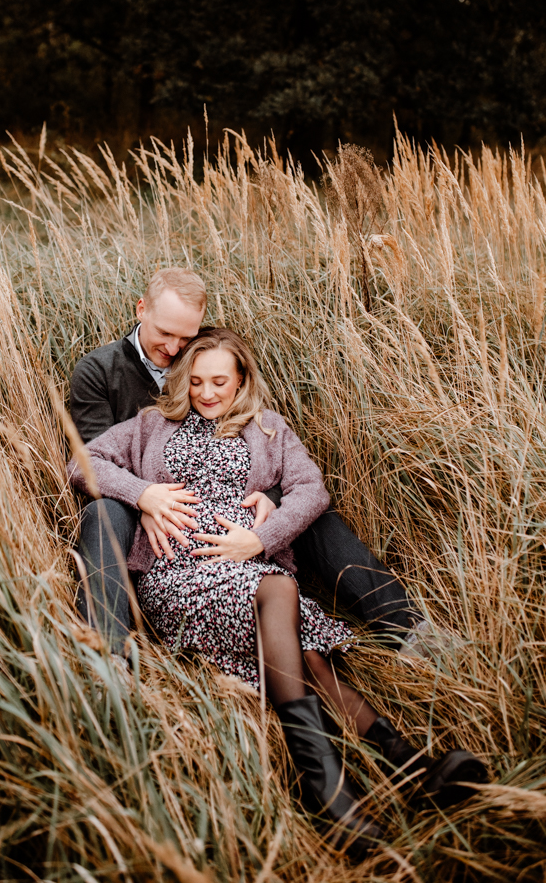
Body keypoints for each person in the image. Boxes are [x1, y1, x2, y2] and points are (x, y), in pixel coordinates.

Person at [67, 328, 487, 852]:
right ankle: (330, 789)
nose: (206, 393)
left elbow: (313, 491)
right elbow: (83, 465)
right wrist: (144, 493)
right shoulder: (153, 423)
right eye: (196, 381)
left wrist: (261, 538)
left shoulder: (269, 428)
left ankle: (410, 769)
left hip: (244, 564)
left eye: (219, 381)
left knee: (309, 656)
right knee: (278, 590)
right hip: (178, 575)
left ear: (241, 378)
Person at [69, 267, 430, 658]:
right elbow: (92, 465)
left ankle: (408, 630)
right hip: (144, 514)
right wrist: (144, 498)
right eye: (165, 334)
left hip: (233, 511)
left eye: (186, 339)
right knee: (104, 511)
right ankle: (109, 652)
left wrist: (271, 498)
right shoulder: (100, 372)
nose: (174, 350)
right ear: (141, 310)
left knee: (314, 516)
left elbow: (297, 480)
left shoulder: (210, 365)